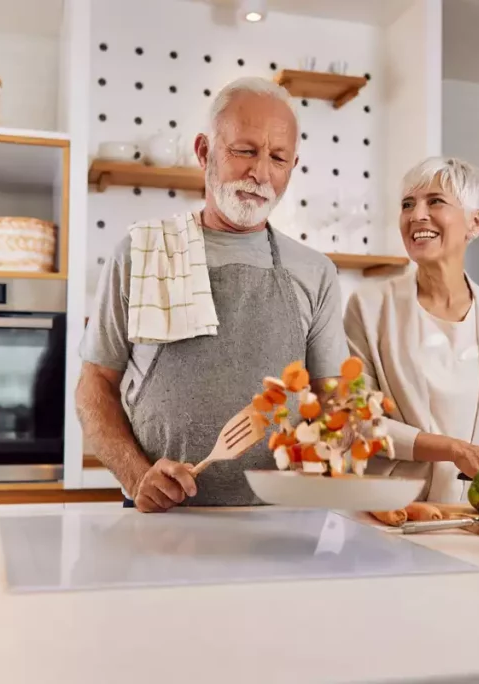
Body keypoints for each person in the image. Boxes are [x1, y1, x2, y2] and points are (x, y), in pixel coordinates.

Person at [77, 77, 347, 512]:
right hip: (163, 517)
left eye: (278, 158)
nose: (260, 173)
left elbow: (333, 400)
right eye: (244, 151)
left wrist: (332, 452)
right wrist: (135, 475)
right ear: (204, 151)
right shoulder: (141, 253)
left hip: (281, 522)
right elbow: (94, 386)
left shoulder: (316, 272)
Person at [343, 156, 479, 503]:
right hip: (396, 511)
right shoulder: (369, 307)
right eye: (407, 205)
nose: (417, 216)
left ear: (476, 222)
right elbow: (358, 424)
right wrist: (454, 450)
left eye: (435, 202)